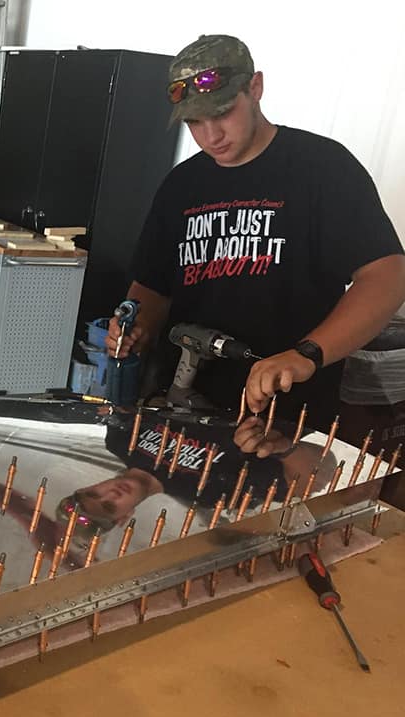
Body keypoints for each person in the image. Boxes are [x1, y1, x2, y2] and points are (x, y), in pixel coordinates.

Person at [107, 35, 405, 428]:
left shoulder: (323, 168)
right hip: (184, 407)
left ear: (256, 87)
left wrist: (306, 354)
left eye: (224, 112)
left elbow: (388, 276)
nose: (211, 136)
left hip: (289, 415)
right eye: (195, 122)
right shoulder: (181, 185)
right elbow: (153, 285)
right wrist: (133, 328)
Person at [63, 409, 335, 528]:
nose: (110, 495)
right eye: (110, 507)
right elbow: (320, 475)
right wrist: (282, 447)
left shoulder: (119, 438)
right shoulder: (212, 495)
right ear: (124, 517)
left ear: (90, 485)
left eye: (95, 494)